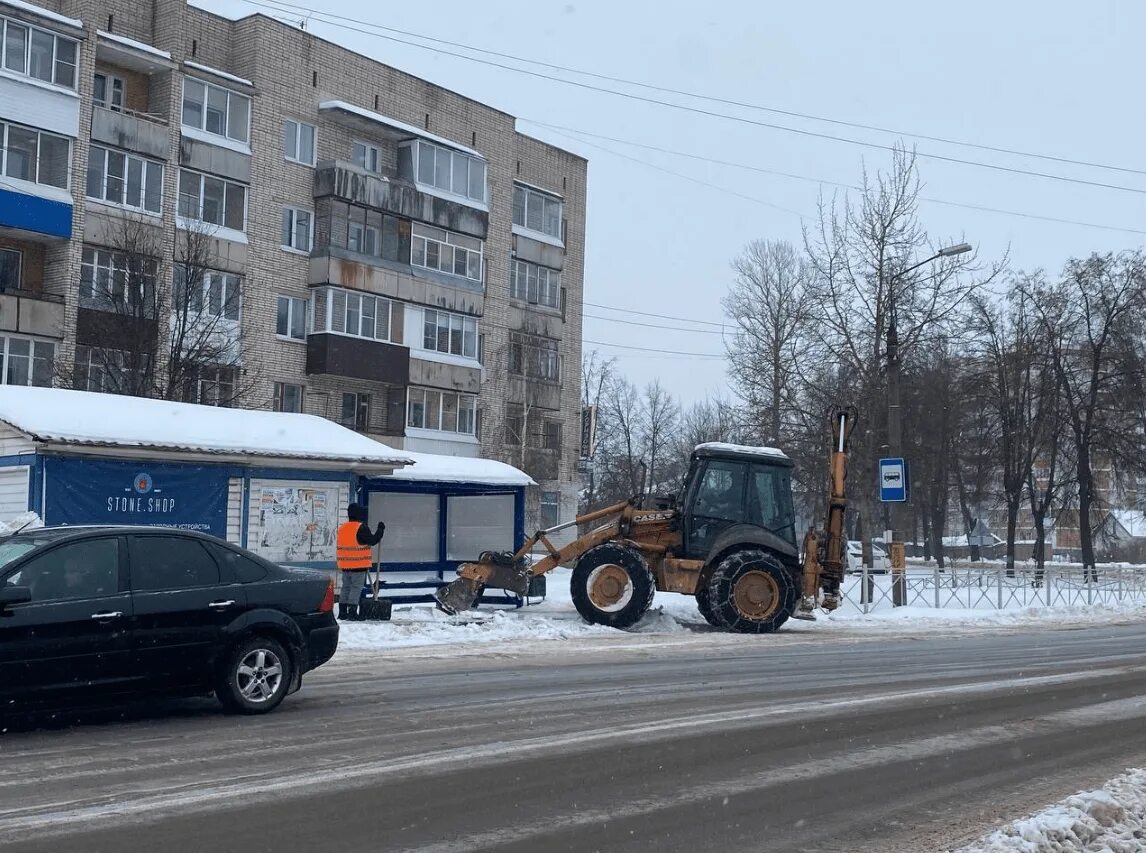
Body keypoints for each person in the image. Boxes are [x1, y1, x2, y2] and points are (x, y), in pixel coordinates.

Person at [336, 503, 385, 621]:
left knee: (346, 588)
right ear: (358, 513)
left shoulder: (342, 528)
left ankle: (342, 612)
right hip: (358, 565)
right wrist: (380, 530)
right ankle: (352, 613)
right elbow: (372, 541)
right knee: (355, 588)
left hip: (345, 565)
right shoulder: (361, 527)